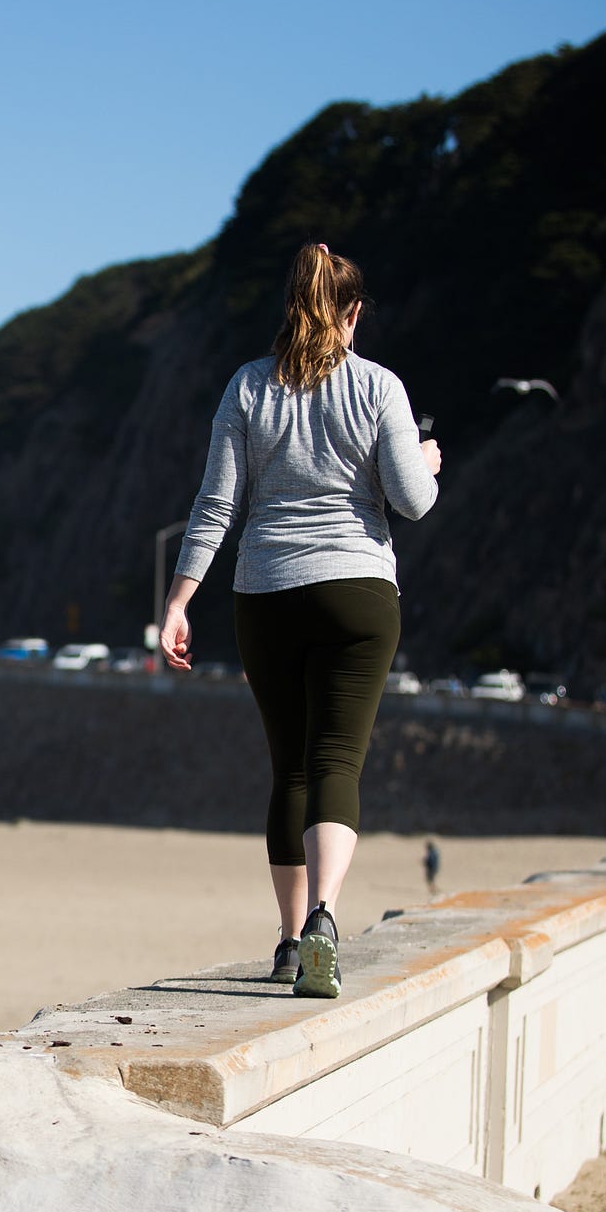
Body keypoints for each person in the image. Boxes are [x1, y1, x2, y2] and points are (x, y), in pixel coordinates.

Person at [161, 241, 441, 999]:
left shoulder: (248, 388)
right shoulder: (379, 386)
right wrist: (426, 459)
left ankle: (288, 942)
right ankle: (324, 917)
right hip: (357, 592)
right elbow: (411, 502)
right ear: (352, 314)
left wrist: (180, 600)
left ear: (291, 305)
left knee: (289, 765)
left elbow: (216, 504)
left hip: (268, 593)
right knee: (335, 764)